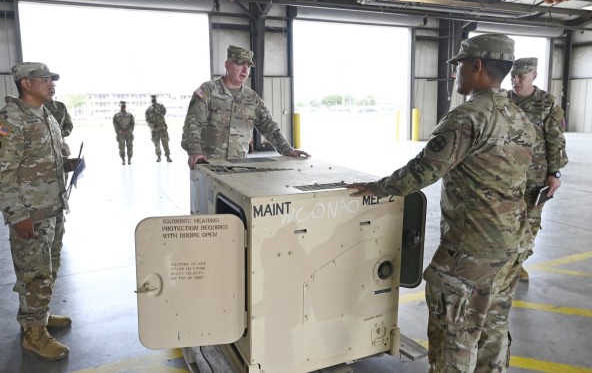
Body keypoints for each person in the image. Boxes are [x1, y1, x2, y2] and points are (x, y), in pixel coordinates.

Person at [347, 34, 536, 373]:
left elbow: (419, 173)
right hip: (510, 249)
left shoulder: (468, 117)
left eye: (459, 65)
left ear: (476, 65)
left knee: (455, 341)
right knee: (492, 335)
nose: (456, 73)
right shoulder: (521, 119)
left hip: (470, 253)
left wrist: (375, 188)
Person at [0, 62, 79, 361]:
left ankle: (39, 315)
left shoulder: (46, 114)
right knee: (34, 273)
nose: (52, 84)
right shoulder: (9, 120)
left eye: (52, 80)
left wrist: (67, 164)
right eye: (45, 80)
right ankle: (34, 335)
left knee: (48, 269)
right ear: (26, 83)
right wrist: (18, 215)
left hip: (52, 207)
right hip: (30, 213)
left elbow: (37, 160)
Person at [182, 45, 309, 169]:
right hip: (208, 165)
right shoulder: (208, 90)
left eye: (248, 66)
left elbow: (269, 126)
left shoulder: (251, 97)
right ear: (227, 65)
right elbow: (193, 123)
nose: (245, 69)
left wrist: (287, 149)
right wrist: (195, 151)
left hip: (240, 166)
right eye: (240, 64)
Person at [509, 57, 568, 282]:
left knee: (530, 222)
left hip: (535, 178)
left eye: (521, 76)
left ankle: (518, 264)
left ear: (534, 74)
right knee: (502, 221)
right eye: (513, 76)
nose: (516, 81)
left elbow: (556, 140)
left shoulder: (547, 102)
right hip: (503, 175)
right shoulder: (502, 100)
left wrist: (555, 174)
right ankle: (502, 266)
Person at [145, 94, 172, 162]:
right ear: (151, 100)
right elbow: (147, 120)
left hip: (162, 128)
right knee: (156, 144)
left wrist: (156, 107)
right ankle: (158, 156)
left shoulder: (161, 106)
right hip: (154, 130)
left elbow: (162, 113)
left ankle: (168, 156)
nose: (153, 100)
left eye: (154, 99)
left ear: (156, 99)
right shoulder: (148, 110)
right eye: (152, 99)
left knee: (165, 143)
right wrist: (152, 125)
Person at [113, 100, 135, 165]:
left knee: (130, 146)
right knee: (121, 147)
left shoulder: (130, 115)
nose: (123, 106)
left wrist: (128, 130)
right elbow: (115, 125)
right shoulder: (116, 115)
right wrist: (120, 131)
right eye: (122, 105)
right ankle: (123, 159)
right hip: (120, 135)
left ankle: (129, 159)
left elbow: (133, 124)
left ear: (125, 106)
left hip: (129, 134)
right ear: (119, 106)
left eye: (124, 105)